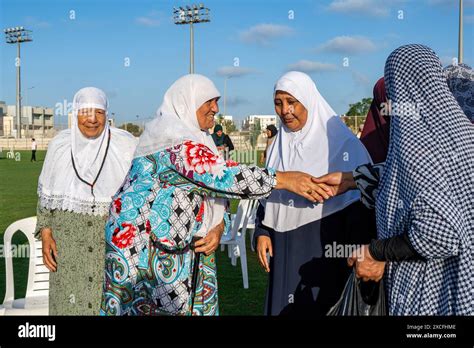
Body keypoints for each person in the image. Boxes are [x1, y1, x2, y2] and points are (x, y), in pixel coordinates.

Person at [100, 74, 332, 316]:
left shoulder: (198, 139)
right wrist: (285, 179)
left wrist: (218, 226)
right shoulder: (171, 140)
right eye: (209, 101)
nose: (216, 108)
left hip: (183, 248)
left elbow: (211, 191)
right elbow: (223, 176)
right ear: (188, 102)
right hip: (144, 254)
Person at [315, 44, 474, 315]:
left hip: (433, 293)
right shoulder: (462, 136)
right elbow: (416, 186)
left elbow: (440, 235)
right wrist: (352, 179)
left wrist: (377, 251)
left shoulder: (419, 145)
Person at [253, 71, 376, 316]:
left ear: (308, 101)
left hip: (327, 254)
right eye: (278, 103)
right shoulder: (278, 147)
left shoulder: (345, 146)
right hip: (284, 253)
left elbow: (363, 208)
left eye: (292, 102)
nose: (285, 110)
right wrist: (262, 232)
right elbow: (266, 197)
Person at [35, 87, 137, 315]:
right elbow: (45, 193)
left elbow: (140, 189)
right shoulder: (59, 146)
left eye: (99, 112)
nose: (92, 119)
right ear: (75, 114)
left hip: (111, 241)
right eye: (86, 112)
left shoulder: (125, 145)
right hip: (68, 244)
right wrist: (46, 232)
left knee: (110, 300)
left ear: (107, 115)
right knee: (69, 303)